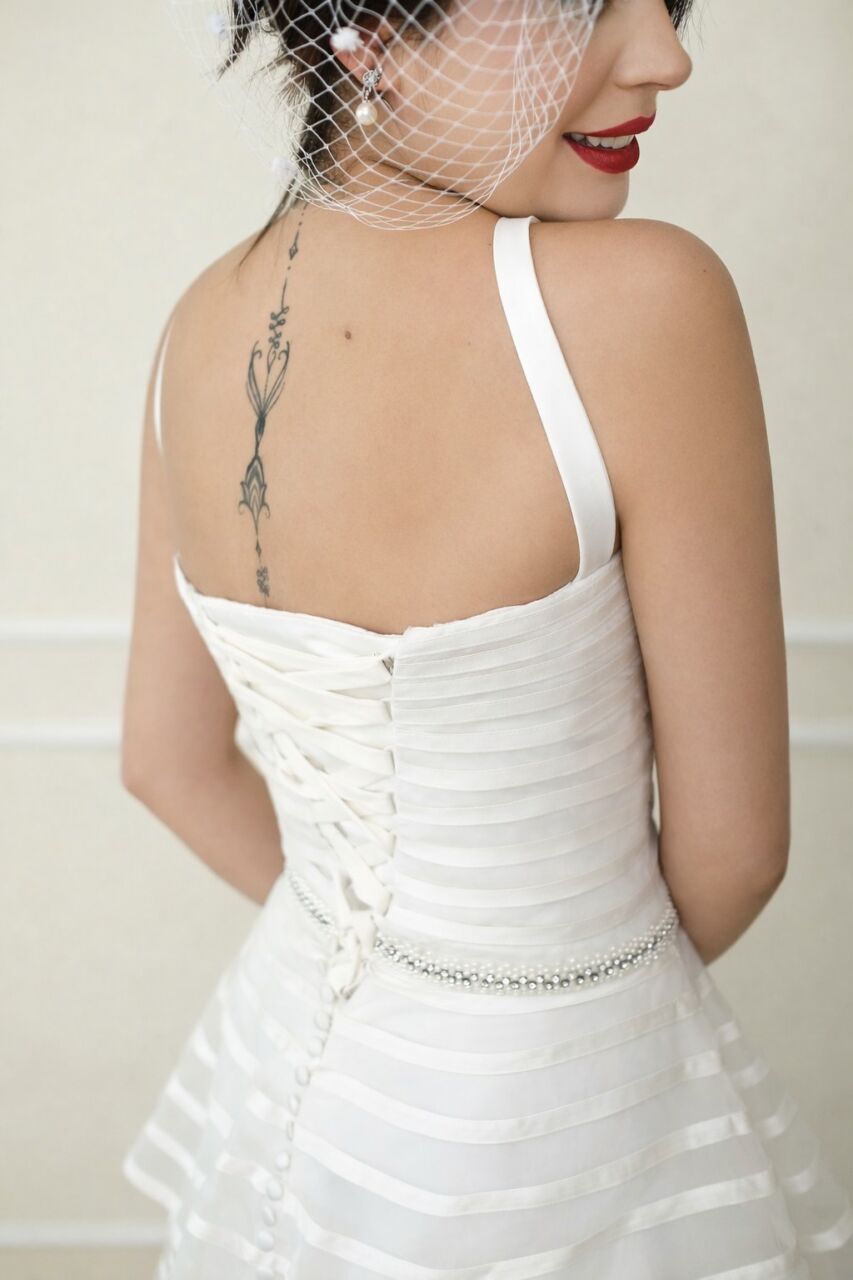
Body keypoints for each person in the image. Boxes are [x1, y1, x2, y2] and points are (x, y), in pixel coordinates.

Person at [120, 0, 853, 1274]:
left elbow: (164, 761)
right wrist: (547, 1001)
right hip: (545, 1124)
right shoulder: (644, 301)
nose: (666, 56)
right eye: (584, 4)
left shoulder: (193, 325)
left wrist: (394, 977)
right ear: (365, 32)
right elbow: (735, 853)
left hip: (294, 1072)